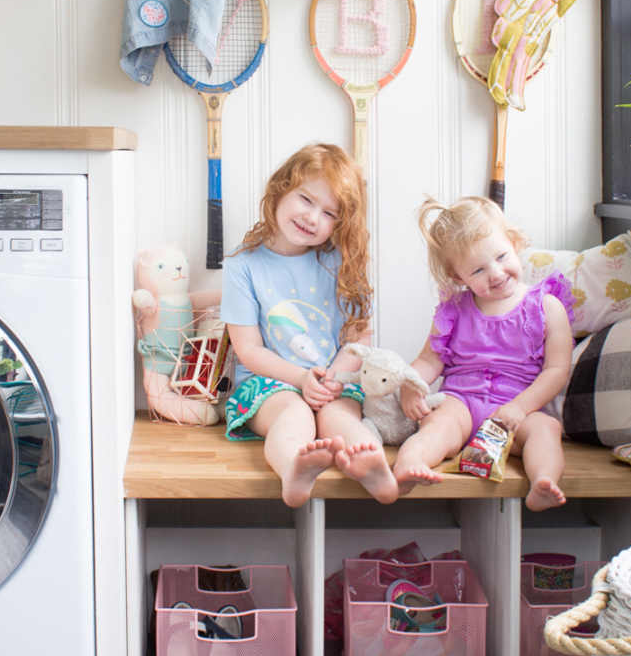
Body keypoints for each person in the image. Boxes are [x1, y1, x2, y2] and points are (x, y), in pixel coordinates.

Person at [221, 142, 399, 507]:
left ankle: (372, 465)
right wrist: (301, 379)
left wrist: (333, 378)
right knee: (293, 414)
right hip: (269, 385)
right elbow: (248, 349)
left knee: (342, 418)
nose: (313, 217)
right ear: (280, 189)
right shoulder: (243, 267)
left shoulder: (339, 263)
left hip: (334, 381)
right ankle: (293, 469)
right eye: (306, 199)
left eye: (329, 213)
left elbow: (358, 335)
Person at [392, 195, 573, 508]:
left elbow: (557, 370)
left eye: (501, 256)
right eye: (477, 270)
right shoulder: (454, 310)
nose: (496, 273)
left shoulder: (546, 306)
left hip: (516, 408)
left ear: (514, 242)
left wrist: (519, 408)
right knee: (437, 424)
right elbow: (428, 360)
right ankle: (409, 464)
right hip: (461, 401)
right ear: (457, 277)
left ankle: (544, 482)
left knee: (547, 428)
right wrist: (411, 384)